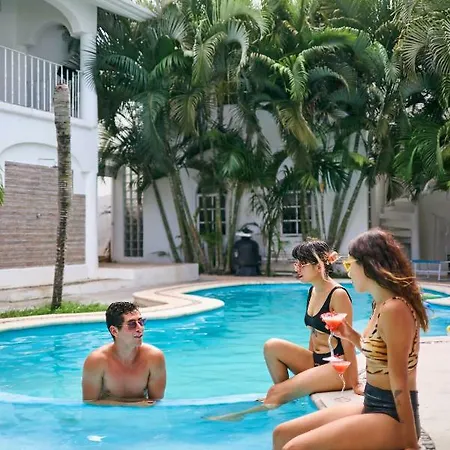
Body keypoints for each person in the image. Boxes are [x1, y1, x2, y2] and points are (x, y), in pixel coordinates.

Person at [273, 228, 428, 450]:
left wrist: (410, 442)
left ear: (369, 266)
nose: (348, 272)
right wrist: (348, 333)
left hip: (394, 415)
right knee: (282, 434)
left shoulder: (395, 309)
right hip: (372, 404)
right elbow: (378, 353)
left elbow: (399, 380)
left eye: (349, 264)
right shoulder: (380, 304)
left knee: (294, 448)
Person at [207, 240, 360, 421]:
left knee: (275, 392)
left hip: (338, 368)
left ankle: (243, 416)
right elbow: (313, 333)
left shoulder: (338, 294)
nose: (297, 268)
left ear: (319, 266)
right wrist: (310, 371)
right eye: (296, 263)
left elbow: (348, 341)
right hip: (317, 361)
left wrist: (354, 382)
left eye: (302, 264)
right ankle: (286, 396)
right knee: (272, 346)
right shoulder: (313, 291)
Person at [82, 301, 166, 406]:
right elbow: (89, 403)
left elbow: (156, 403)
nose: (140, 328)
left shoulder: (154, 358)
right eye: (132, 324)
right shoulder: (96, 361)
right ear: (114, 331)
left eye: (141, 321)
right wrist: (132, 405)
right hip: (109, 414)